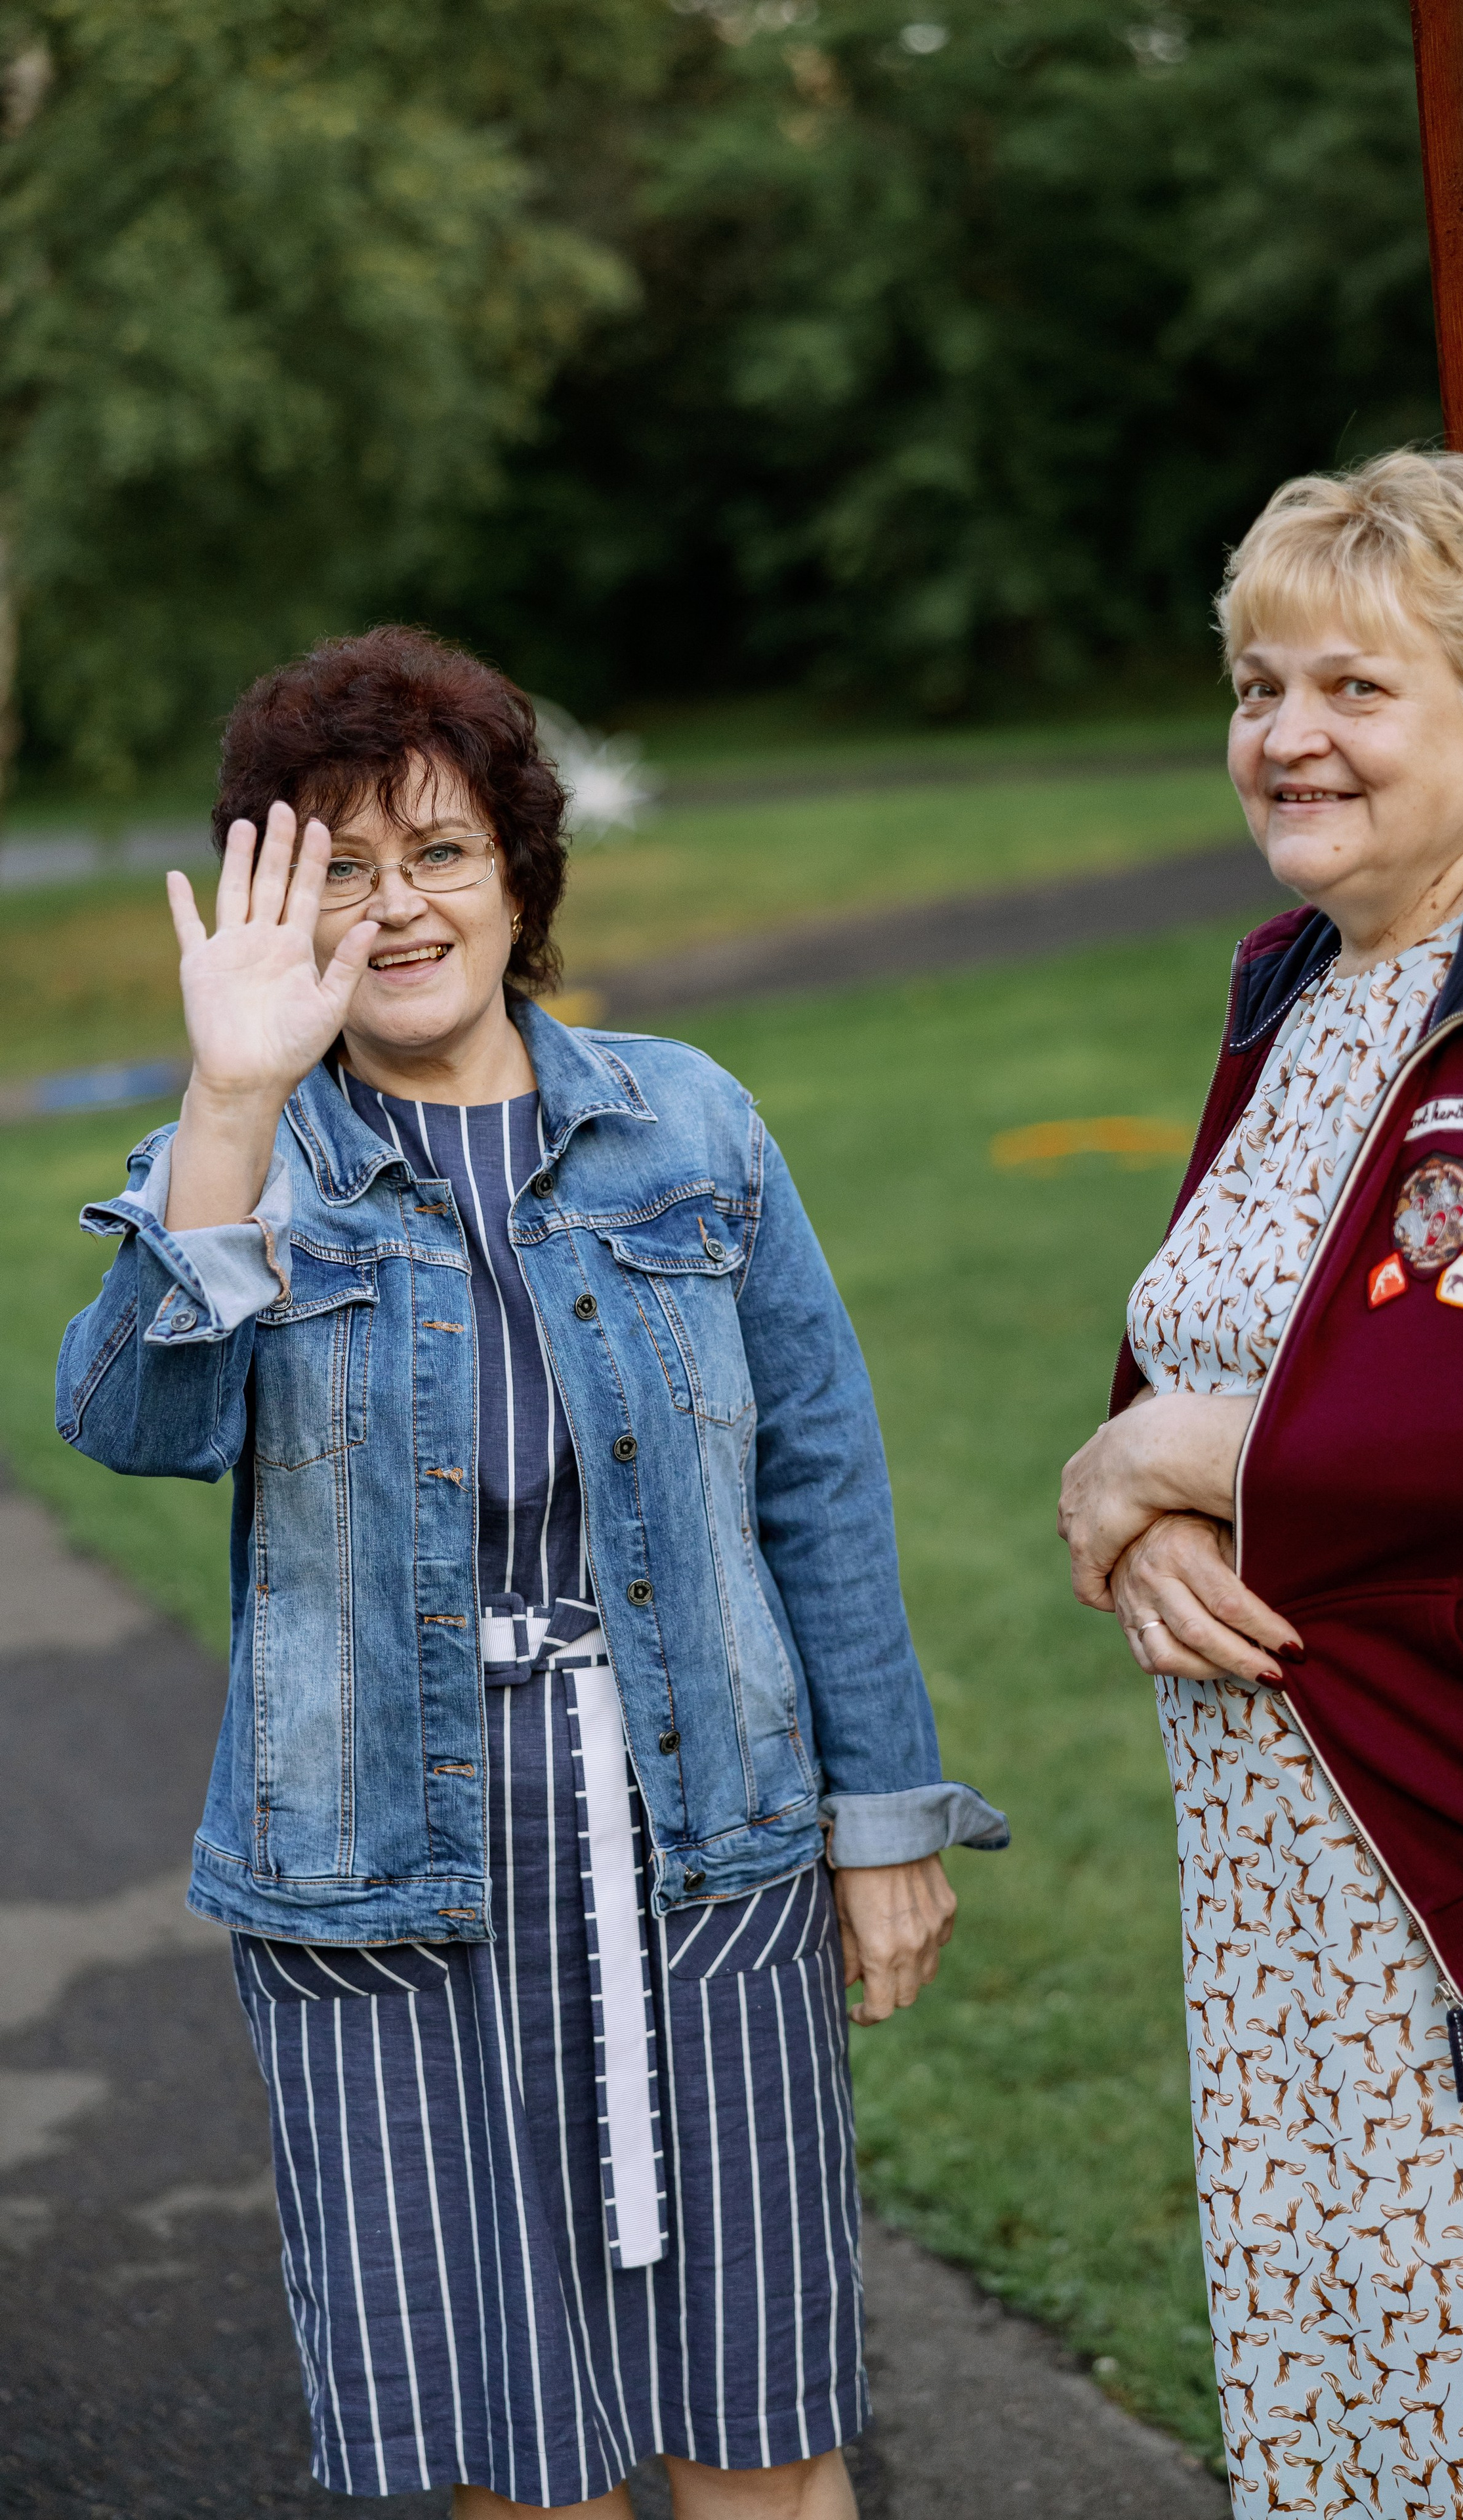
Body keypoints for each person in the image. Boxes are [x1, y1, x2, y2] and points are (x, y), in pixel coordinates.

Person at [57, 626, 1007, 2519]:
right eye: (336, 868)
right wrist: (236, 1103)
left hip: (705, 1845)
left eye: (437, 854)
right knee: (515, 2463)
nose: (395, 910)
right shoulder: (244, 1158)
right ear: (272, 909)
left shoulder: (693, 1124)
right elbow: (132, 1423)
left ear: (518, 875)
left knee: (761, 2429)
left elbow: (818, 1484)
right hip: (382, 1892)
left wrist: (881, 1815)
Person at [1058, 450, 1463, 2514]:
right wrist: (1142, 1504)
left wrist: (1185, 1454)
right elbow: (1218, 1329)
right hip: (1273, 1883)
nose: (1287, 736)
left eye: (1356, 686)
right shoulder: (1301, 986)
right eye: (1257, 685)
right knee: (1337, 2401)